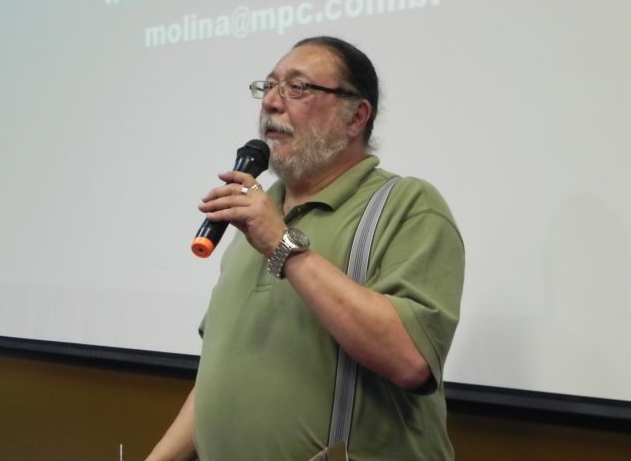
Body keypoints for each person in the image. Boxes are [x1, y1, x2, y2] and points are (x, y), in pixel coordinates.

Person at [146, 36, 464, 461]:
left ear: (356, 116)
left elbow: (410, 359)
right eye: (269, 86)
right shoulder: (256, 218)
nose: (271, 103)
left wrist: (283, 245)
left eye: (297, 88)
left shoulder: (406, 206)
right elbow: (218, 376)